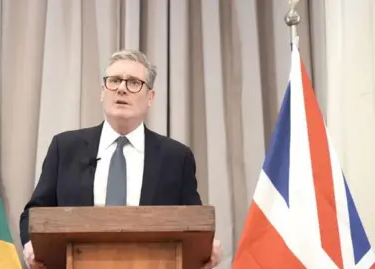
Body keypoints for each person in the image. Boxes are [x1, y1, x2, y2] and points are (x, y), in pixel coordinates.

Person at [19, 49, 223, 269]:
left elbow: (193, 224)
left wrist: (206, 247)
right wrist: (31, 245)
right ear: (102, 92)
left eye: (134, 83)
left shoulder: (175, 157)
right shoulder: (65, 147)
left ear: (150, 98)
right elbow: (33, 215)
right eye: (114, 81)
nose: (122, 89)